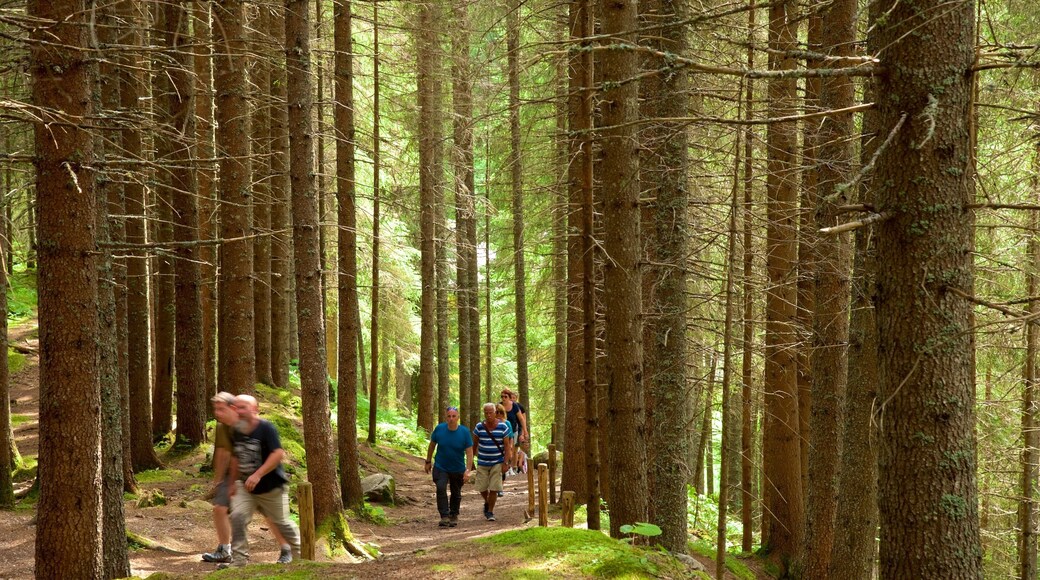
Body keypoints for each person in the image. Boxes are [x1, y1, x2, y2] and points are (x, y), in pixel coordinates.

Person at [223, 394, 301, 568]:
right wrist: (231, 483)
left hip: (271, 487)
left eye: (243, 407)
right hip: (245, 487)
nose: (239, 411)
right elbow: (236, 456)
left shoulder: (266, 428)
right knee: (237, 517)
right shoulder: (236, 429)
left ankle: (302, 559)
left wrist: (258, 474)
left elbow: (278, 453)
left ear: (255, 409)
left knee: (282, 524)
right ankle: (239, 562)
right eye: (236, 407)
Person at [200, 392, 238, 564]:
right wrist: (218, 478)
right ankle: (225, 550)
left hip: (252, 474)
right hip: (231, 475)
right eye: (216, 409)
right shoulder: (222, 427)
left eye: (221, 409)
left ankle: (290, 550)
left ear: (232, 408)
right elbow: (223, 451)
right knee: (219, 509)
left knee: (270, 514)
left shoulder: (246, 425)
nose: (217, 413)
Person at [424, 406, 474, 528]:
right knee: (441, 488)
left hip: (458, 467)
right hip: (441, 466)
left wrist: (468, 470)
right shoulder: (440, 429)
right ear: (446, 417)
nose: (451, 419)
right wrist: (428, 461)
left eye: (453, 416)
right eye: (449, 416)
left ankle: (454, 514)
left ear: (458, 418)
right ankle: (444, 516)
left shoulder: (464, 432)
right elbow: (432, 445)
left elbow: (469, 452)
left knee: (456, 492)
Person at [471, 402, 513, 521]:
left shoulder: (503, 427)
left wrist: (506, 463)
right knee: (482, 487)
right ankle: (488, 501)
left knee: (494, 487)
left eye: (491, 412)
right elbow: (474, 445)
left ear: (495, 413)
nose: (489, 415)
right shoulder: (479, 427)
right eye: (486, 413)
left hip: (497, 462)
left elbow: (507, 447)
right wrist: (471, 462)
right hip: (482, 461)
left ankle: (490, 512)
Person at [501, 389, 528, 473]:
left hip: (513, 431)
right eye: (502, 396)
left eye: (505, 397)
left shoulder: (515, 406)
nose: (503, 398)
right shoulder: (499, 406)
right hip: (502, 432)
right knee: (504, 449)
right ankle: (505, 468)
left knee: (513, 449)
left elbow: (521, 419)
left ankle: (512, 468)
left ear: (509, 397)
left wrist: (525, 431)